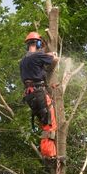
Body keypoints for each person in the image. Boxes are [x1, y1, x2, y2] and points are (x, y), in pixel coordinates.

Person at [20, 31, 59, 159]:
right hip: (39, 93)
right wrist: (51, 54)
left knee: (44, 123)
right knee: (49, 124)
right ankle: (49, 156)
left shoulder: (22, 61)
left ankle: (47, 152)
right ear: (37, 43)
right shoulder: (38, 55)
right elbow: (54, 59)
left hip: (30, 96)